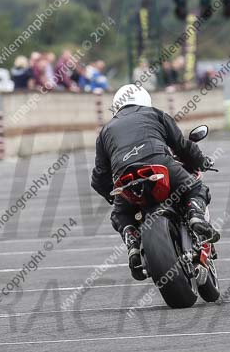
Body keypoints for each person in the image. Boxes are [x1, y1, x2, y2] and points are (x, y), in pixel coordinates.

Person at [91, 84, 219, 280]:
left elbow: (99, 177)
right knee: (195, 187)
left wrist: (117, 197)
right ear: (145, 100)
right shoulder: (156, 114)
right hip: (159, 163)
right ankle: (195, 215)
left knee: (119, 214)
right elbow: (182, 146)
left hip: (125, 177)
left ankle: (132, 241)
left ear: (117, 106)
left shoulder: (105, 131)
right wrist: (201, 161)